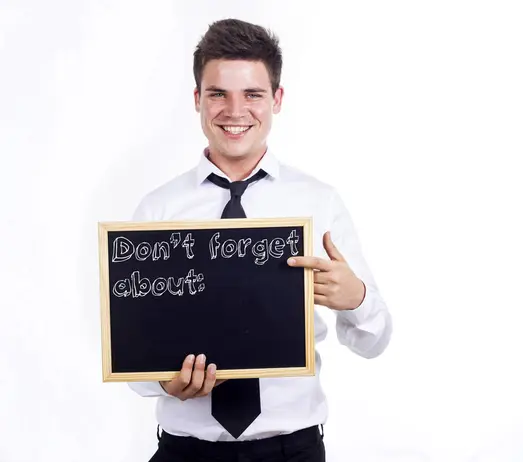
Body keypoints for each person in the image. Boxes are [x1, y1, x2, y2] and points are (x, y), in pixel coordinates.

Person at [128, 18, 393, 462]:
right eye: (218, 94)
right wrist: (162, 382)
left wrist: (356, 298)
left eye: (252, 94)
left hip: (293, 451)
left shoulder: (319, 202)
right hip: (185, 454)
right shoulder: (159, 210)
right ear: (197, 100)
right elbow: (132, 357)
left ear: (277, 99)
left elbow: (375, 340)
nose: (235, 110)